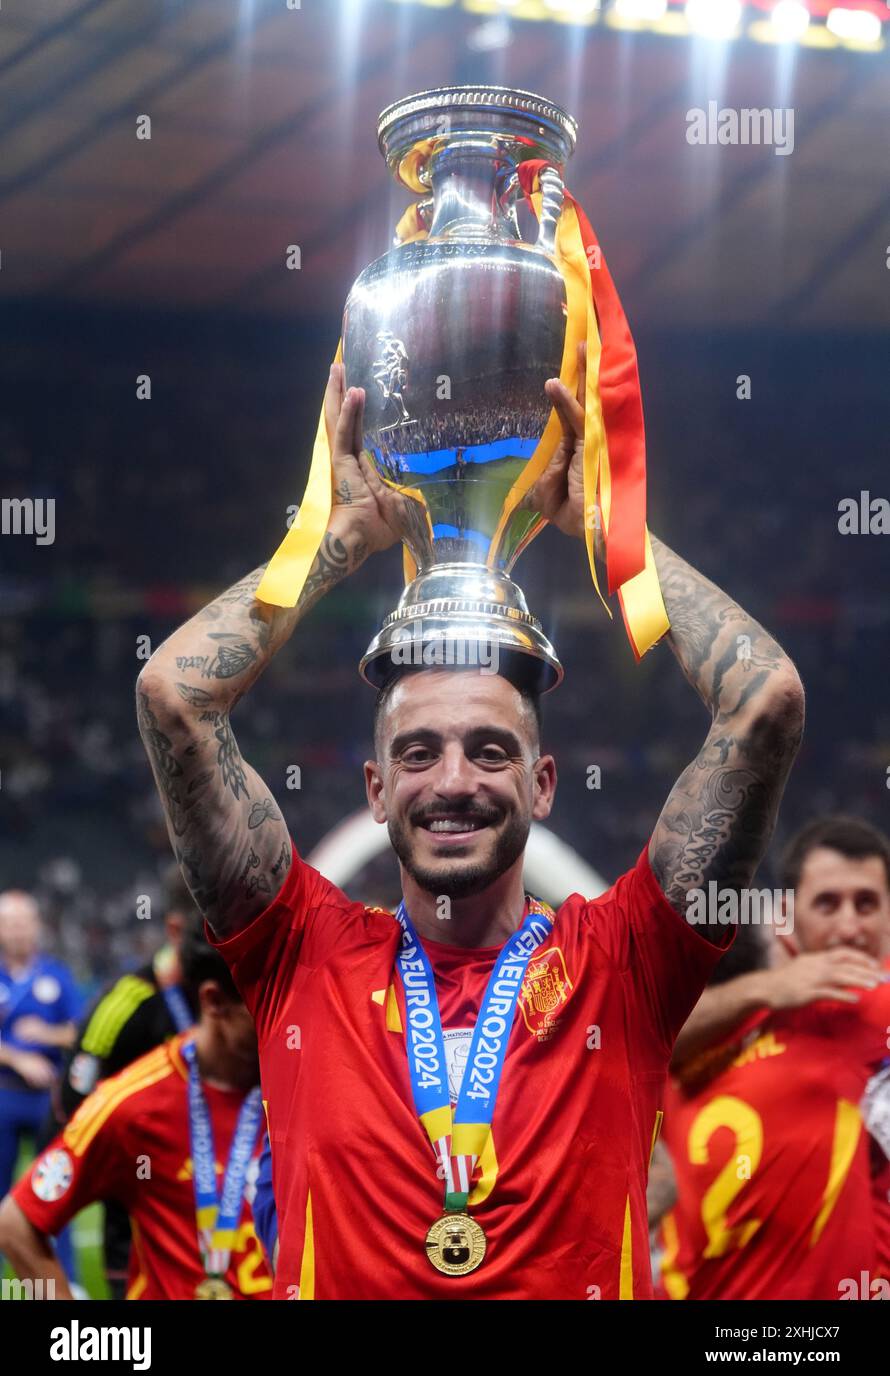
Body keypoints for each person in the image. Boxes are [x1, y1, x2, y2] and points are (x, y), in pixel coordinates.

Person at [134, 356, 804, 1299]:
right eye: (418, 754)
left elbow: (764, 703)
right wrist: (327, 543)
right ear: (375, 790)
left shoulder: (626, 962)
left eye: (490, 752)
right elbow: (174, 699)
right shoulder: (302, 953)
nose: (453, 781)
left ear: (543, 785)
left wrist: (609, 539)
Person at [659, 816, 890, 1300]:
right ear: (785, 916)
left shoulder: (873, 1006)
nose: (850, 926)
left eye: (866, 904)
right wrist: (769, 988)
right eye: (827, 904)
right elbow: (649, 1040)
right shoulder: (731, 1014)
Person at [0, 924, 272, 1301]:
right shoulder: (133, 1102)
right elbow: (16, 1223)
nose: (285, 1016)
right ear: (213, 1002)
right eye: (268, 1003)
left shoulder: (302, 1083)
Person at [57, 863, 199, 1299]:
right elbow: (73, 1105)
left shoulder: (250, 995)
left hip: (236, 1236)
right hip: (141, 1239)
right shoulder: (126, 1003)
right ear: (177, 930)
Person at [0, 891, 79, 1281]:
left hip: (46, 1101)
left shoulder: (56, 976)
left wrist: (43, 1034)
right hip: (3, 1096)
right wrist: (17, 1057)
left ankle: (67, 1279)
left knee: (55, 1187)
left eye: (23, 922)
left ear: (36, 927)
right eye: (10, 923)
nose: (17, 930)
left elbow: (79, 1032)